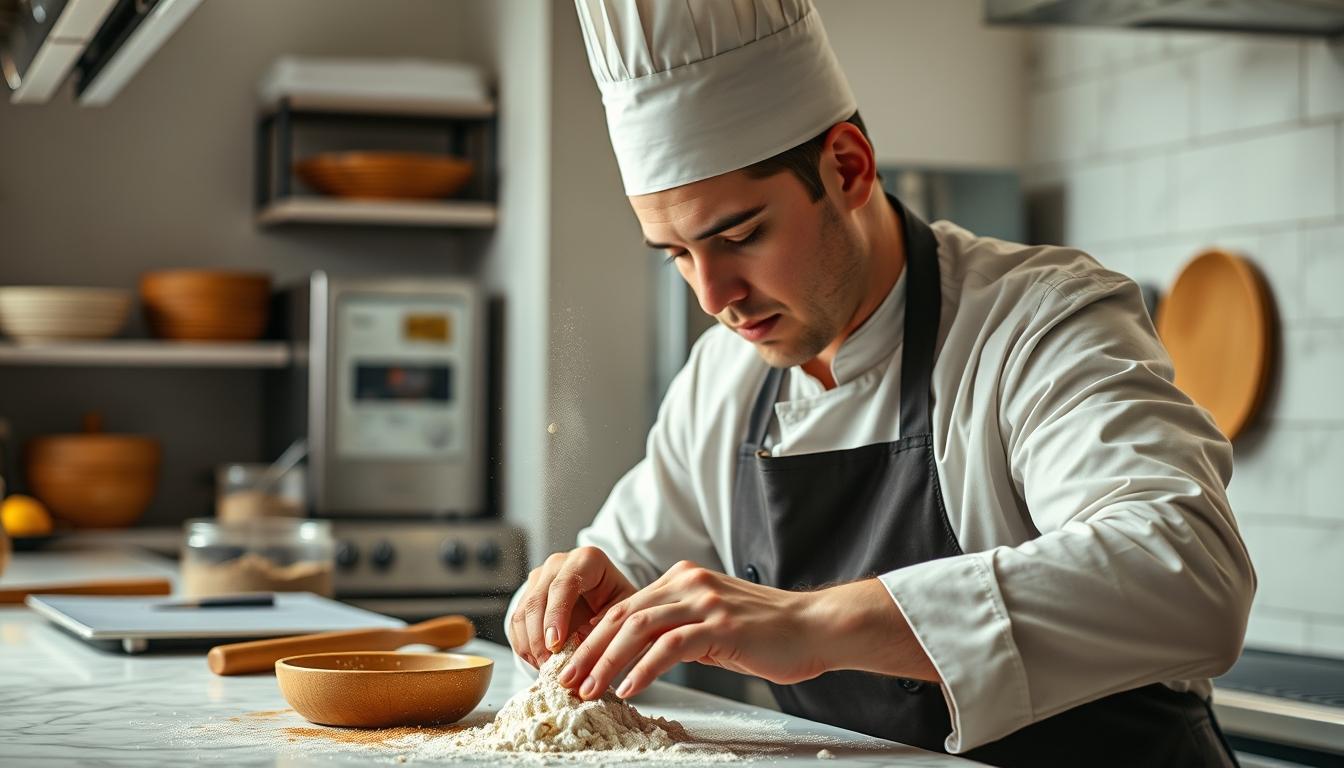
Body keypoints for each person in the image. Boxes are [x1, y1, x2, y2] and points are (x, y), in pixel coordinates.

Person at [508, 2, 1255, 764]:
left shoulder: (1039, 320)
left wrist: (813, 624)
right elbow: (630, 561)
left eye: (739, 237)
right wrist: (583, 593)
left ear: (848, 168)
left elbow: (1191, 577)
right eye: (674, 254)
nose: (712, 297)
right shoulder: (722, 379)